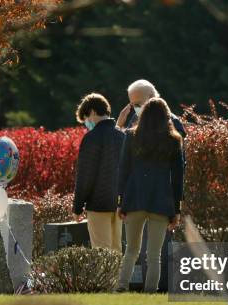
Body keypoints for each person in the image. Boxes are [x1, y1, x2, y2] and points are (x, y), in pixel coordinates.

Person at [116, 97, 184, 293]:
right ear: (166, 117)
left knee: (131, 250)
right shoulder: (173, 141)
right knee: (153, 254)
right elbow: (178, 178)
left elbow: (123, 170)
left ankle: (122, 286)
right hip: (161, 202)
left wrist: (120, 201)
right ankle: (150, 291)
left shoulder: (131, 137)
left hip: (134, 198)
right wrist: (176, 209)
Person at [73, 93, 125, 252]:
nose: (87, 123)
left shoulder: (92, 138)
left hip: (98, 204)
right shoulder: (122, 136)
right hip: (119, 204)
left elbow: (85, 175)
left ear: (93, 112)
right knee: (116, 251)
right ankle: (118, 279)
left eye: (86, 117)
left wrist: (77, 206)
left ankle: (107, 279)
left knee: (101, 252)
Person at [116, 79, 186, 137]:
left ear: (152, 98)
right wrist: (118, 126)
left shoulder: (172, 122)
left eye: (138, 104)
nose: (136, 108)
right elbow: (125, 147)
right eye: (133, 105)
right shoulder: (136, 118)